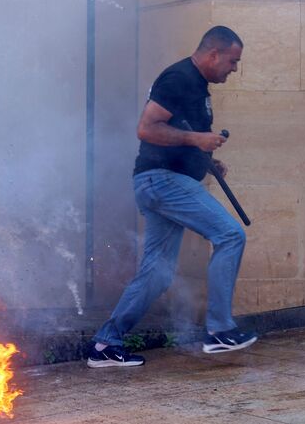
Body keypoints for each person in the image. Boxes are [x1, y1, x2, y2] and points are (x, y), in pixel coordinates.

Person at [88, 26, 256, 368]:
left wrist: (206, 159)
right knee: (230, 234)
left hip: (163, 182)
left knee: (158, 274)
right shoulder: (179, 78)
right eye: (233, 61)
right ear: (213, 54)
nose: (234, 69)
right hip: (162, 181)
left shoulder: (196, 84)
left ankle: (106, 344)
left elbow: (179, 134)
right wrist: (197, 141)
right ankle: (221, 331)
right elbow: (146, 128)